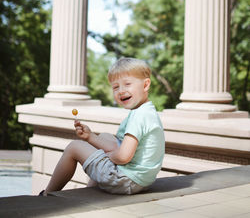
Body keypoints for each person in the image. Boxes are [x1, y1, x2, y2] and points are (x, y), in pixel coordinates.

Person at [40, 57, 165, 196]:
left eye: (127, 84)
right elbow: (120, 146)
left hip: (125, 180)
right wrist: (90, 137)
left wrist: (108, 156)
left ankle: (46, 195)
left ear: (146, 85)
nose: (121, 91)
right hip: (141, 181)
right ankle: (90, 191)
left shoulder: (139, 117)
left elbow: (123, 156)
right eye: (116, 87)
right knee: (105, 136)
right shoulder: (147, 111)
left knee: (74, 147)